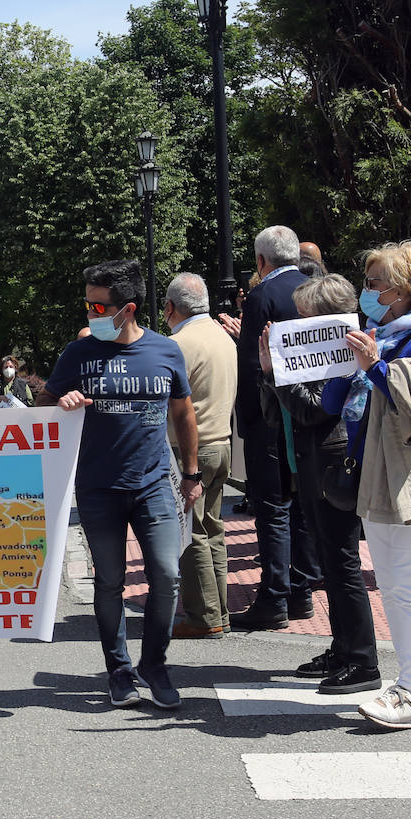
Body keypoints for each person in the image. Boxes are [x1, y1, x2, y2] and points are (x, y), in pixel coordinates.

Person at [40, 260, 202, 710]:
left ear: (127, 309)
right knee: (109, 581)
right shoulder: (79, 353)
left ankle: (156, 664)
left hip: (153, 485)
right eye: (88, 303)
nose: (90, 314)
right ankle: (119, 670)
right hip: (97, 487)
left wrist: (191, 474)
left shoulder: (165, 351)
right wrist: (63, 403)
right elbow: (43, 404)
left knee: (167, 575)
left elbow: (184, 413)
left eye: (98, 306)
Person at [322, 241, 411, 728]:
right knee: (396, 586)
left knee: (407, 587)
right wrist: (343, 365)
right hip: (377, 474)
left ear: (401, 290)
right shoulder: (373, 333)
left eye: (374, 282)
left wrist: (374, 366)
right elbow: (330, 404)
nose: (367, 290)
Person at [256, 275, 379, 694]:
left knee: (342, 563)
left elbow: (313, 412)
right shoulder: (308, 355)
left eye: (305, 316)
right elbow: (277, 416)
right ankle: (343, 648)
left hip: (332, 463)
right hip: (307, 463)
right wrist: (272, 370)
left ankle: (362, 659)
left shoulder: (341, 356)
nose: (297, 324)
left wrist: (282, 375)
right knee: (329, 563)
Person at [231, 225, 320, 630]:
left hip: (270, 416)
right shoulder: (315, 287)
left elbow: (252, 364)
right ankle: (301, 591)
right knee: (301, 505)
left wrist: (247, 421)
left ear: (261, 261)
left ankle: (274, 597)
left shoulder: (262, 295)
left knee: (272, 507)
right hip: (310, 412)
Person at [162, 273, 236, 640]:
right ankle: (219, 610)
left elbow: (169, 402)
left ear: (171, 307)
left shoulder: (178, 344)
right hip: (221, 441)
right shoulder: (224, 337)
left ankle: (204, 616)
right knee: (212, 529)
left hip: (191, 449)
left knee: (191, 534)